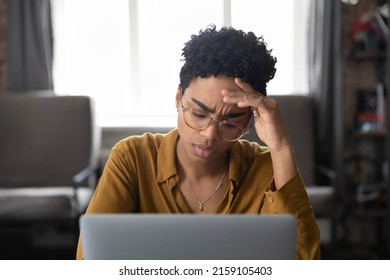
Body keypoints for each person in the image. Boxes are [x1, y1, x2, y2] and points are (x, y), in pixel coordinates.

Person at [76, 24, 320, 260]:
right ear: (178, 98)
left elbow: (302, 263)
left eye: (231, 121)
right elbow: (91, 260)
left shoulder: (267, 168)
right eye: (199, 114)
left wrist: (281, 149)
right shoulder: (132, 158)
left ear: (250, 119)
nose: (210, 134)